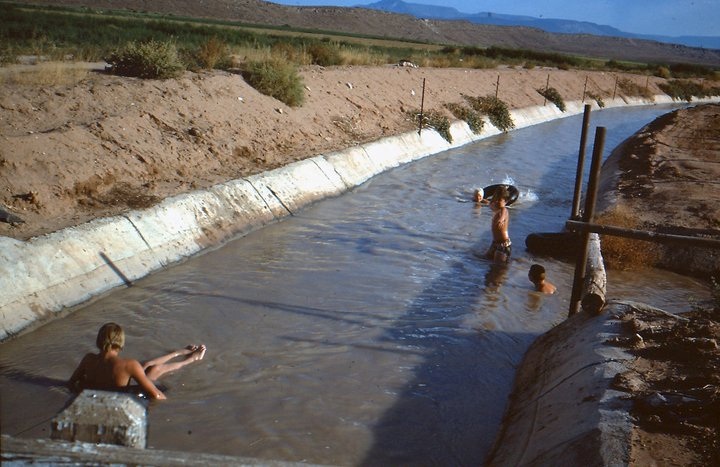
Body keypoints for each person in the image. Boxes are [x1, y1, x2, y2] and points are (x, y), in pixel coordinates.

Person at [69, 322, 206, 400]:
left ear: (99, 340)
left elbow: (70, 383)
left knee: (145, 365)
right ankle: (189, 359)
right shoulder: (128, 364)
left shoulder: (88, 359)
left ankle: (177, 353)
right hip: (126, 396)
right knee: (153, 369)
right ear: (120, 343)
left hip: (108, 392)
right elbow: (156, 395)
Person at [484, 185, 511, 263]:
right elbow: (491, 204)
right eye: (496, 199)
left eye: (499, 200)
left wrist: (499, 221)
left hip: (503, 244)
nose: (497, 202)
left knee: (497, 269)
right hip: (495, 243)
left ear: (505, 201)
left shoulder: (503, 210)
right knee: (484, 260)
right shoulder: (496, 208)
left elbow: (502, 217)